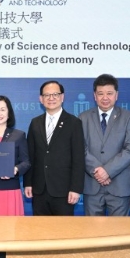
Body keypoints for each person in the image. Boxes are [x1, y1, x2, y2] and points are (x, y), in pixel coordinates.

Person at [79, 74, 130, 216]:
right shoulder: (83, 117)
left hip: (119, 185)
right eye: (100, 93)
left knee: (119, 229)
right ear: (94, 96)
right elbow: (80, 148)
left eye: (109, 93)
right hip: (92, 185)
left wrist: (108, 170)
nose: (105, 97)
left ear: (116, 95)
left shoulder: (128, 117)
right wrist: (98, 171)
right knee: (92, 228)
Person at [24, 81, 85, 215]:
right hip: (39, 189)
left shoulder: (74, 123)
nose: (51, 98)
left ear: (62, 97)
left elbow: (78, 158)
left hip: (64, 191)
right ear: (41, 99)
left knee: (63, 228)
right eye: (47, 95)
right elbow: (30, 155)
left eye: (55, 94)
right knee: (39, 227)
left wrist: (76, 188)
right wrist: (28, 183)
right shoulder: (35, 123)